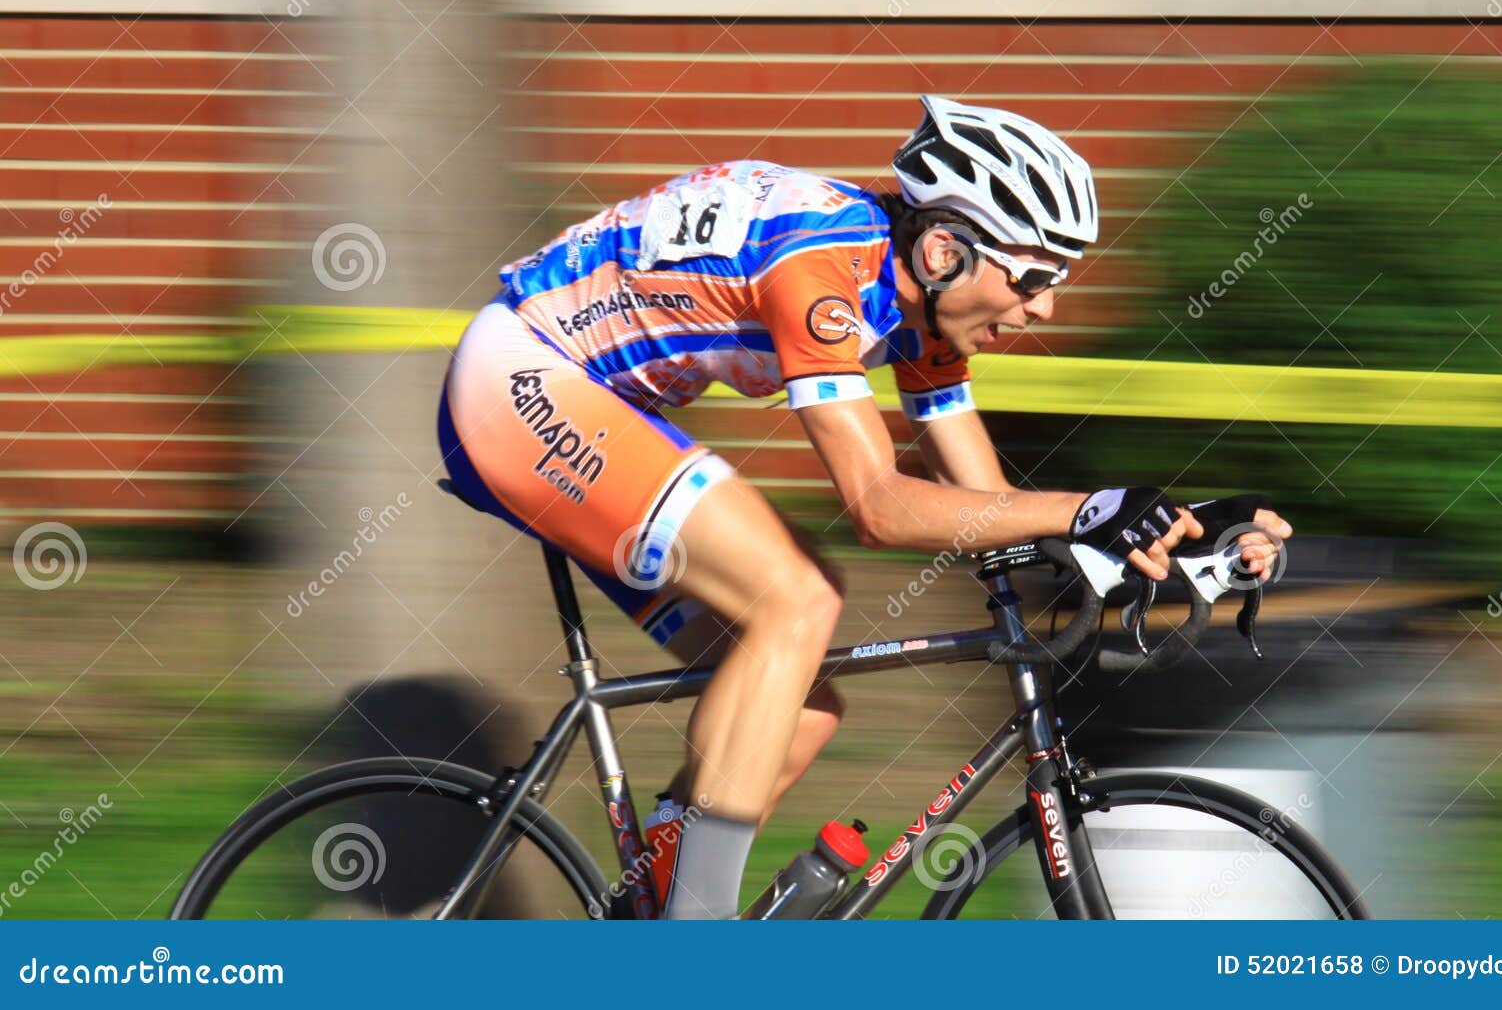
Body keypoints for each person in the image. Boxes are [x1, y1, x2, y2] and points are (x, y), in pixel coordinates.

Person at [437, 94, 1291, 919]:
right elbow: (878, 505)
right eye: (1032, 275)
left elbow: (987, 508)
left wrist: (1181, 532)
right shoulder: (819, 266)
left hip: (596, 406)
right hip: (522, 380)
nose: (1045, 307)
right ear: (944, 251)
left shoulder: (919, 309)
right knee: (797, 599)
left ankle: (652, 911)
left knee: (802, 706)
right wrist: (1088, 510)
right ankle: (694, 935)